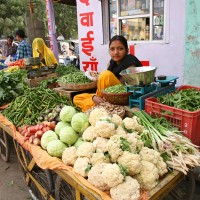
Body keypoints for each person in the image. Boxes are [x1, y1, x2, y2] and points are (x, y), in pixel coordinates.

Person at [73, 35, 142, 111]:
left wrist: (103, 78)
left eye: (120, 49)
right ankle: (97, 100)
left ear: (127, 50)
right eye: (112, 49)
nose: (116, 52)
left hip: (121, 97)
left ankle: (99, 102)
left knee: (106, 74)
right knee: (76, 98)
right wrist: (94, 96)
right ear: (109, 51)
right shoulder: (112, 63)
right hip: (106, 94)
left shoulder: (131, 64)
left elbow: (123, 89)